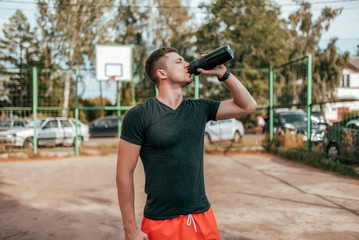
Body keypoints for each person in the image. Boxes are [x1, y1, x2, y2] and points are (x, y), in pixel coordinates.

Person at [116, 47, 257, 240]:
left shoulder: (199, 108)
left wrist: (224, 74)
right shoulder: (139, 115)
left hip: (202, 217)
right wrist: (130, 229)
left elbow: (248, 106)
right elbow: (124, 173)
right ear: (161, 73)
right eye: (178, 61)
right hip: (161, 221)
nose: (187, 64)